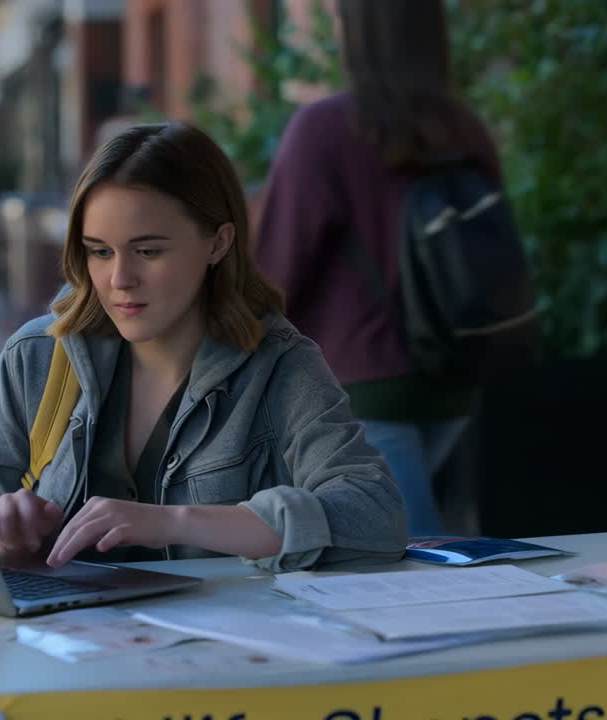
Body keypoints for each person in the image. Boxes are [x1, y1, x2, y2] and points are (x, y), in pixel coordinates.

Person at [0, 122, 407, 573]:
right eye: (100, 252)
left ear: (218, 243)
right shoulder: (36, 355)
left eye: (147, 252)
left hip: (215, 641)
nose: (119, 280)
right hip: (54, 639)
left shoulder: (278, 368)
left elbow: (375, 514)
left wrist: (178, 522)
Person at [253, 0, 505, 537]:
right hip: (454, 379)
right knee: (417, 549)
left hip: (361, 387)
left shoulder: (323, 129)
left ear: (358, 34)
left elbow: (273, 274)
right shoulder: (464, 130)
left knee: (408, 562)